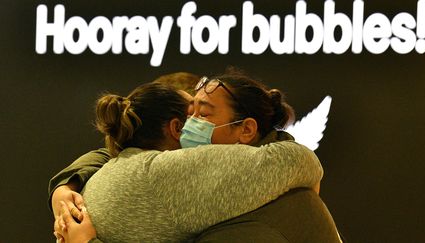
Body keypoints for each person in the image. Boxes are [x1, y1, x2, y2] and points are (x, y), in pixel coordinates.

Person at [49, 70, 333, 242]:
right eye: (190, 114)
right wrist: (63, 187)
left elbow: (296, 159)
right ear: (173, 128)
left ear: (246, 129)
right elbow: (298, 159)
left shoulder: (264, 198)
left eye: (203, 113)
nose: (193, 125)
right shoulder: (173, 174)